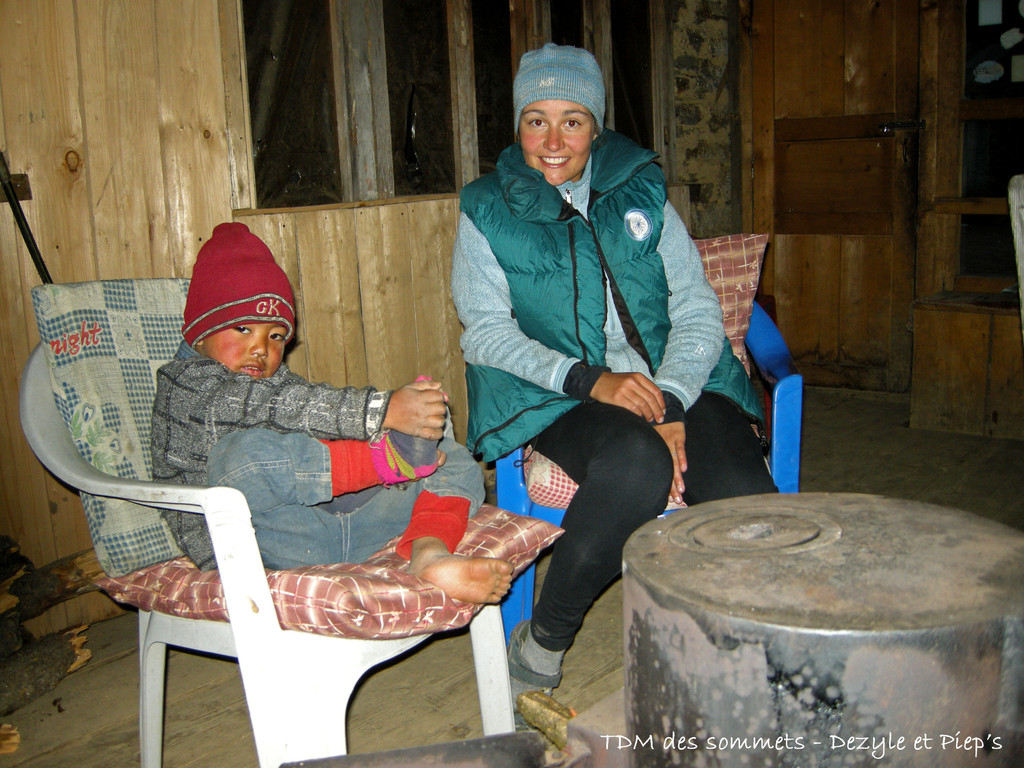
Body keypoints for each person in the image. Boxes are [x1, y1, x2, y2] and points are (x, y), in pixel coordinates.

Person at [450, 44, 777, 696]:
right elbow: (484, 334)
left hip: (676, 381)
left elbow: (697, 309)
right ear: (517, 126)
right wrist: (590, 381)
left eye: (572, 119)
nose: (552, 139)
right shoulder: (487, 208)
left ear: (596, 127)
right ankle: (544, 638)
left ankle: (748, 649)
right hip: (562, 397)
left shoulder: (643, 192)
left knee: (743, 495)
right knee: (637, 467)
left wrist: (674, 403)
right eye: (535, 119)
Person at [152, 221, 512, 604]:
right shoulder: (187, 384)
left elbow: (312, 421)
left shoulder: (277, 381)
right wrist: (383, 411)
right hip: (260, 545)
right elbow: (282, 406)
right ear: (200, 333)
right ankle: (388, 461)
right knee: (237, 456)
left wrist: (411, 427)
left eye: (276, 336)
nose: (261, 348)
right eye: (243, 329)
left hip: (347, 532)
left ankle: (428, 554)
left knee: (450, 455)